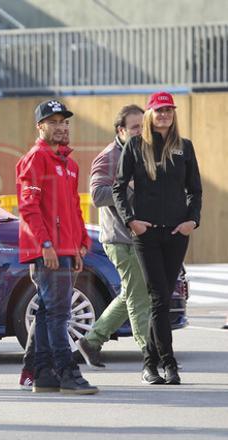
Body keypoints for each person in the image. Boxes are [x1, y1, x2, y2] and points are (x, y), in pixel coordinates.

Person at [113, 91, 202, 385]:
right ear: (150, 114)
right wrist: (130, 221)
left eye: (169, 110)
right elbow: (118, 187)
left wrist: (192, 221)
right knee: (159, 297)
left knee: (161, 300)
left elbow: (195, 190)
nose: (164, 114)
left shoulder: (184, 147)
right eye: (159, 110)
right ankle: (169, 364)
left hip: (177, 234)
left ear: (174, 114)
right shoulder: (136, 145)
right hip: (146, 235)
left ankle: (149, 365)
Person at [16, 99, 98, 395]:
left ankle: (42, 374)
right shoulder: (35, 158)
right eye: (53, 122)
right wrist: (45, 244)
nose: (61, 127)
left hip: (66, 250)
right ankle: (66, 372)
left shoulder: (70, 164)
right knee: (59, 313)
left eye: (64, 122)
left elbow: (74, 209)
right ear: (40, 127)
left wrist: (81, 244)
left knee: (48, 312)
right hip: (47, 251)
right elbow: (28, 206)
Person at [76, 104, 150, 369]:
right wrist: (129, 187)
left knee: (132, 292)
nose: (141, 131)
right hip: (119, 239)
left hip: (139, 237)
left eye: (143, 126)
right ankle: (151, 353)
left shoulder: (142, 152)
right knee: (139, 295)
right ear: (121, 130)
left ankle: (91, 340)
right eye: (135, 127)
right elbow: (97, 196)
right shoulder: (109, 156)